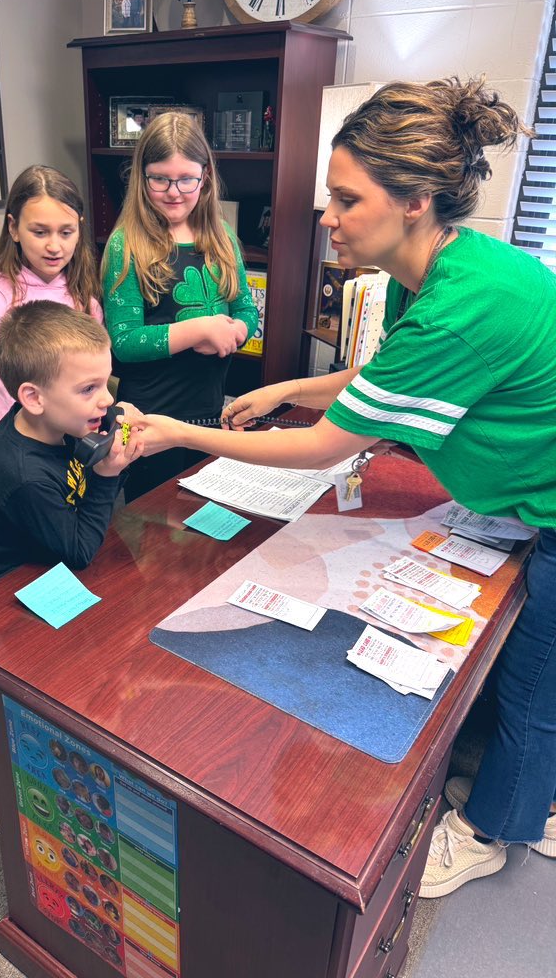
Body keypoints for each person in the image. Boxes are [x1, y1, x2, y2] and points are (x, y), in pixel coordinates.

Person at [132, 77, 556, 898]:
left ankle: (493, 831)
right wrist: (287, 387)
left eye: (348, 199)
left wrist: (181, 433)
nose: (328, 216)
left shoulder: (464, 304)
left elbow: (326, 447)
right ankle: (529, 791)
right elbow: (384, 377)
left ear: (416, 202)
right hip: (531, 489)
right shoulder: (429, 271)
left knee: (536, 681)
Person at [102, 111, 259, 501]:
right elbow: (124, 342)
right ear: (142, 178)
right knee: (153, 519)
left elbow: (247, 311)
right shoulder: (126, 245)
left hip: (208, 413)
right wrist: (199, 330)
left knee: (201, 513)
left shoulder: (222, 237)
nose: (174, 192)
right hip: (148, 421)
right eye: (160, 179)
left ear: (205, 178)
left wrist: (234, 332)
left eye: (187, 179)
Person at [0, 301, 142, 594]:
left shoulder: (55, 420)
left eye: (104, 383)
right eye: (89, 388)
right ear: (34, 398)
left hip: (55, 550)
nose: (107, 400)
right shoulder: (27, 477)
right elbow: (80, 553)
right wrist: (107, 475)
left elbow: (108, 414)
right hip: (17, 585)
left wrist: (121, 421)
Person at [0, 165, 103, 492]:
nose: (55, 246)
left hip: (70, 453)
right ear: (14, 228)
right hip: (7, 454)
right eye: (40, 232)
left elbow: (89, 386)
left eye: (66, 232)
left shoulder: (85, 301)